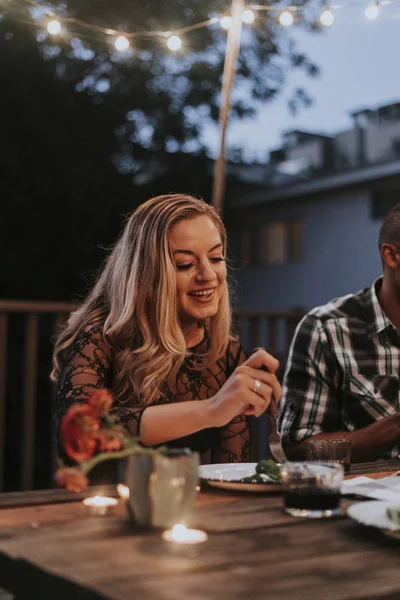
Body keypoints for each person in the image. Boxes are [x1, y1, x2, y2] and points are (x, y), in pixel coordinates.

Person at [52, 194, 281, 464]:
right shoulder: (101, 335)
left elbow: (229, 475)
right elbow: (77, 436)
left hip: (182, 502)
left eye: (216, 258)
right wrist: (211, 409)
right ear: (146, 274)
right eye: (184, 264)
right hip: (107, 502)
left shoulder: (226, 353)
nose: (208, 275)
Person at [279, 202, 400, 463]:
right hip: (363, 499)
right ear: (392, 256)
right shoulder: (327, 329)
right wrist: (395, 427)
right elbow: (297, 449)